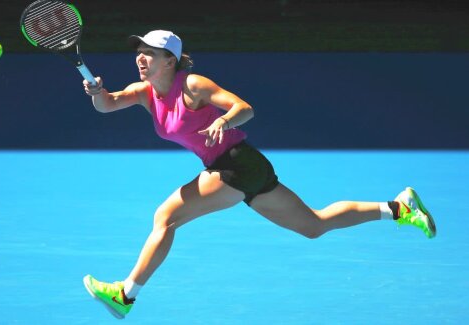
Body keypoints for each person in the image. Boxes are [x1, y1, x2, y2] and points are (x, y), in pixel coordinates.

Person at [82, 30, 437, 319]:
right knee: (313, 225)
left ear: (169, 60)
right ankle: (399, 208)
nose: (140, 58)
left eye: (149, 52)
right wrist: (97, 92)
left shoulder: (193, 85)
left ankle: (125, 295)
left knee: (166, 217)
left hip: (236, 163)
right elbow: (109, 103)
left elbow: (244, 109)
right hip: (239, 168)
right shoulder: (145, 93)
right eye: (139, 52)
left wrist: (223, 119)